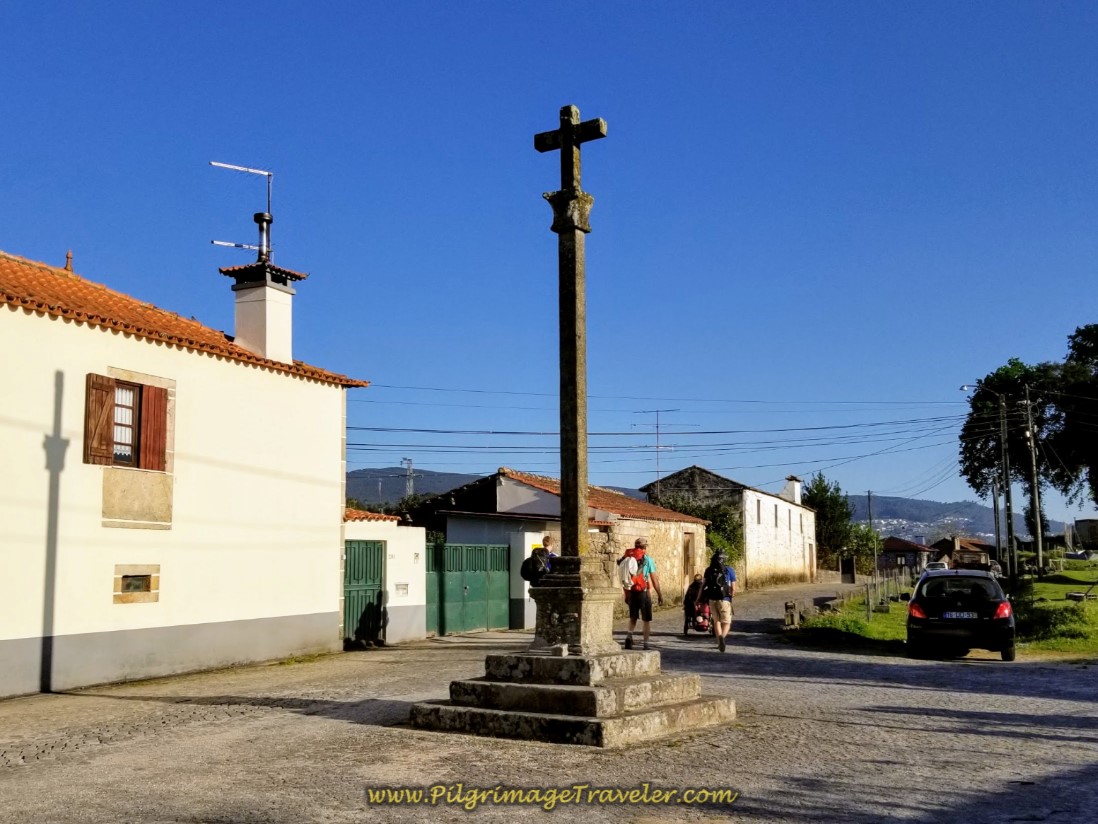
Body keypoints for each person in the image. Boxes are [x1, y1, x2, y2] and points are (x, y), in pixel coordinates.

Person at [623, 538, 663, 650]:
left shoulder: (627, 559)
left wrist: (626, 593)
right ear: (645, 548)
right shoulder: (648, 560)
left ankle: (629, 636)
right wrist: (659, 594)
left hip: (631, 591)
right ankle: (646, 644)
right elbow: (654, 580)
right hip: (643, 592)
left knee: (633, 617)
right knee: (646, 620)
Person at [701, 551, 737, 652]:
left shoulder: (708, 570)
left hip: (712, 599)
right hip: (724, 599)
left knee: (716, 621)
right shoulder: (729, 570)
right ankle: (722, 637)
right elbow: (733, 588)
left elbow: (703, 585)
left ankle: (718, 639)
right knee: (726, 622)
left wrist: (698, 598)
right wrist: (732, 595)